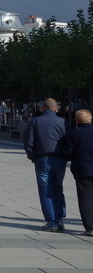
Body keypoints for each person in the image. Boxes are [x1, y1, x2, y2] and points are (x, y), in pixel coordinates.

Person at [23, 98, 68, 232]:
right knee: (58, 188)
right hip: (60, 159)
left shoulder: (35, 122)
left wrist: (33, 157)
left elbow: (28, 143)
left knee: (45, 190)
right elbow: (69, 141)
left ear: (42, 108)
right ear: (56, 109)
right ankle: (60, 219)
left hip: (42, 158)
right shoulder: (64, 122)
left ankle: (51, 222)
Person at [62, 109, 93, 236]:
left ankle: (90, 227)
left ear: (76, 120)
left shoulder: (74, 133)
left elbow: (67, 153)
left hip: (82, 170)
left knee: (85, 198)